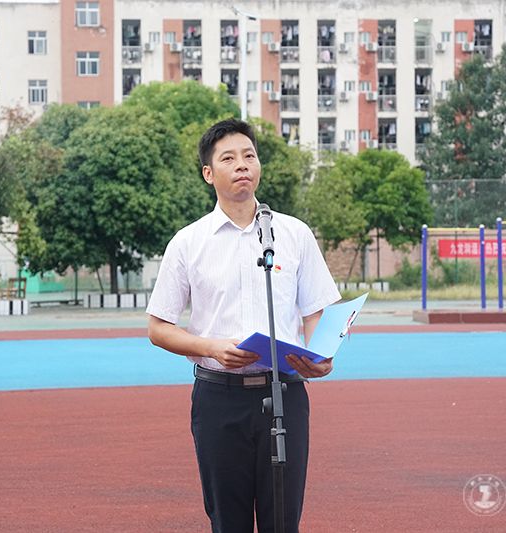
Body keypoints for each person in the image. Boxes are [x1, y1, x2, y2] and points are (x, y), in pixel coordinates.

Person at [146, 118, 340, 533]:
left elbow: (317, 311)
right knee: (227, 522)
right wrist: (210, 347)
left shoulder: (292, 234)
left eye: (249, 155)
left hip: (285, 393)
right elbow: (158, 327)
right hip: (219, 399)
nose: (242, 165)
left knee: (282, 521)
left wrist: (322, 354)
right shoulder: (188, 242)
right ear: (208, 173)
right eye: (229, 158)